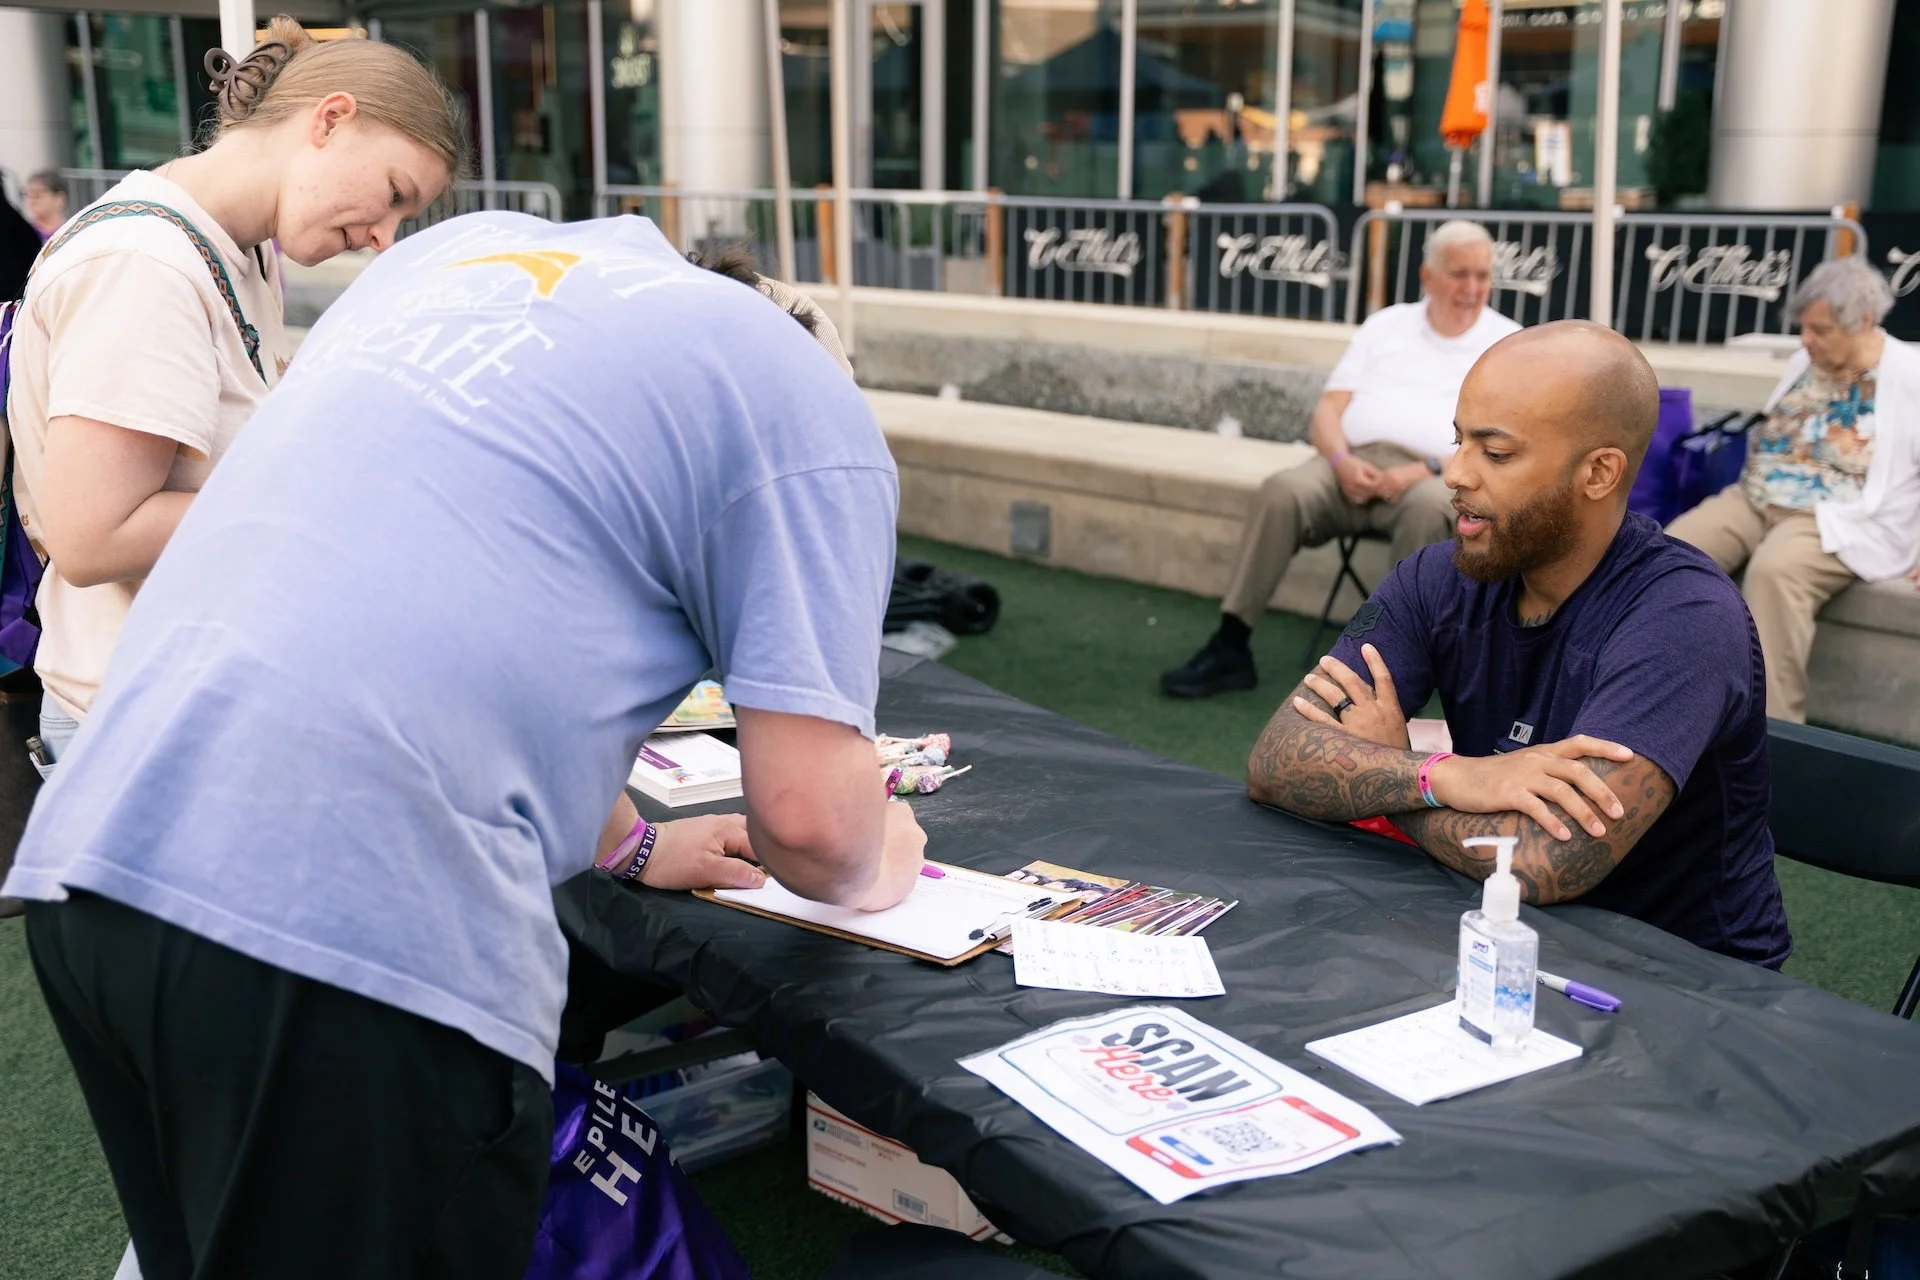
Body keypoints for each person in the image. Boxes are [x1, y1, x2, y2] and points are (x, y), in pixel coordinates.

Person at [3, 206, 927, 1279]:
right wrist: (878, 853)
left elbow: (454, 605)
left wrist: (632, 844)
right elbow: (814, 822)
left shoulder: (461, 260)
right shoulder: (808, 411)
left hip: (97, 864)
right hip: (346, 934)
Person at [1246, 321, 1790, 969]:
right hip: (1496, 942)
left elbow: (1543, 863)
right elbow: (1277, 759)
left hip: (1684, 983)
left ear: (1598, 473)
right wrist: (1450, 775)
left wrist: (1388, 782)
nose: (1454, 473)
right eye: (1458, 440)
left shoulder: (1685, 616)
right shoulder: (1438, 576)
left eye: (1495, 454)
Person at [4, 18, 461, 775]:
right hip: (154, 736)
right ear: (331, 119)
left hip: (189, 711)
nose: (385, 236)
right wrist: (334, 496)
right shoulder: (145, 264)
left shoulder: (233, 247)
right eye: (393, 194)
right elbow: (93, 536)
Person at [1161, 219, 1519, 698]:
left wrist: (1425, 469)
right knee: (1282, 491)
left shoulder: (1508, 342)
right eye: (1459, 274)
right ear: (1427, 277)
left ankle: (1387, 670)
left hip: (1438, 472)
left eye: (1482, 275)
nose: (1472, 288)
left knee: (1431, 508)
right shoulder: (1386, 324)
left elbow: (1503, 439)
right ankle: (1231, 643)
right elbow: (1327, 412)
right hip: (1352, 464)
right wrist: (1340, 463)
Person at [1666, 258, 1920, 723]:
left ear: (1863, 321)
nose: (1806, 340)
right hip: (1756, 496)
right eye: (1804, 328)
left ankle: (1773, 730)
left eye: (1819, 330)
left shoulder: (1909, 375)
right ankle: (1665, 692)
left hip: (1837, 513)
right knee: (1675, 550)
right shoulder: (1808, 361)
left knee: (1775, 573)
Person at [22, 168, 69, 241]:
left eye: (38, 193)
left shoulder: (72, 233)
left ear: (59, 199)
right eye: (29, 194)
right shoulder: (20, 236)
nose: (32, 199)